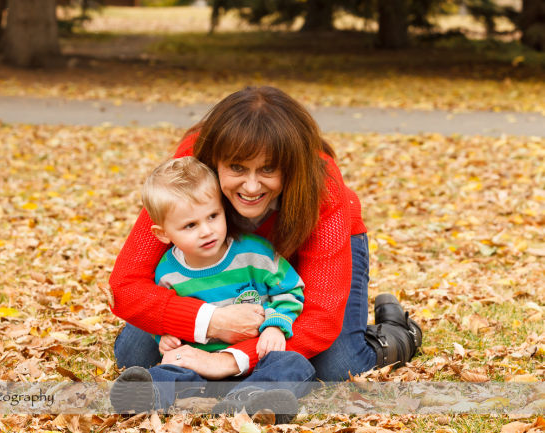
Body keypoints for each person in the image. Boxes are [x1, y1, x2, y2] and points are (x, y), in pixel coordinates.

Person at [109, 86, 422, 417]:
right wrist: (213, 322)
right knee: (135, 353)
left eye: (268, 169)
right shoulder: (190, 167)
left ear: (289, 166)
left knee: (337, 365)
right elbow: (125, 286)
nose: (252, 186)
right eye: (237, 168)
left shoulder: (323, 187)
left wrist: (226, 359)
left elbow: (320, 318)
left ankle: (396, 333)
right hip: (217, 268)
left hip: (300, 265)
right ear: (214, 161)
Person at [110, 156, 312, 423]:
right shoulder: (167, 272)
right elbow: (161, 314)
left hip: (254, 360)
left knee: (294, 364)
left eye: (213, 216)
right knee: (171, 368)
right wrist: (164, 338)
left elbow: (291, 291)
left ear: (223, 209)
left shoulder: (255, 254)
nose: (207, 231)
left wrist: (275, 325)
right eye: (190, 225)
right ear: (162, 234)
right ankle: (145, 395)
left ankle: (252, 399)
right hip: (197, 363)